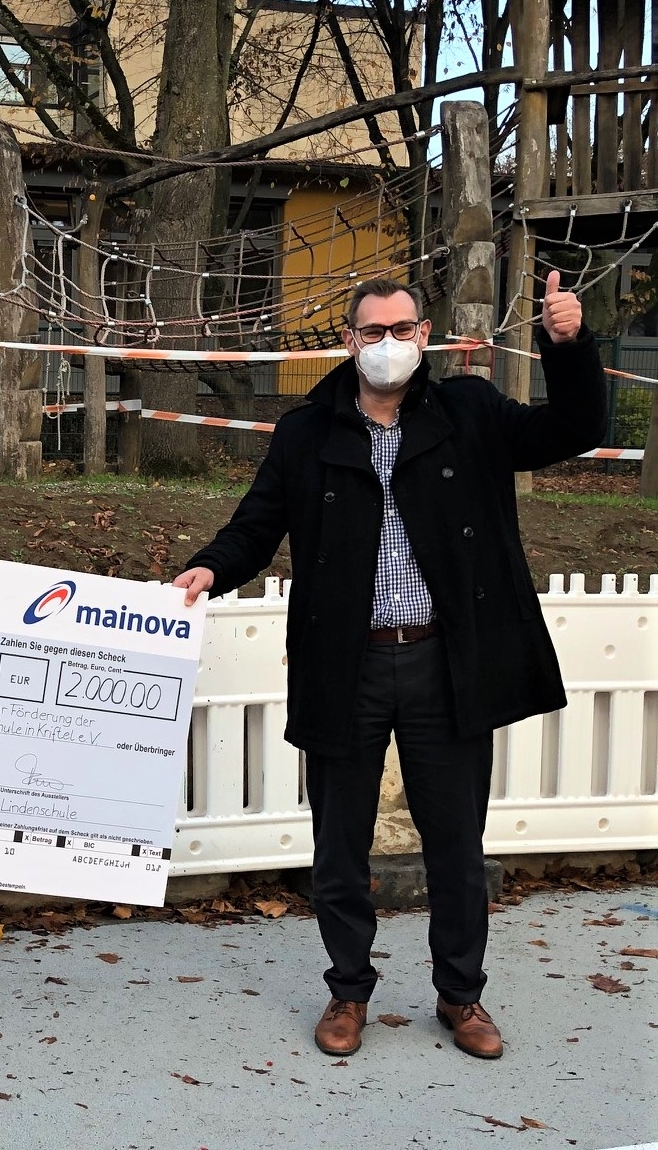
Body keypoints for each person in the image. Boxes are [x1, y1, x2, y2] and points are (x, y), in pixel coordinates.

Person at [172, 273, 603, 1061]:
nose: (386, 345)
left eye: (400, 329)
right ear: (349, 340)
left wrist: (566, 346)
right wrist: (207, 568)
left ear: (424, 333)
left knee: (455, 844)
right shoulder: (306, 431)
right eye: (371, 333)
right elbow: (255, 524)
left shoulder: (469, 413)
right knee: (340, 843)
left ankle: (460, 997)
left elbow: (572, 427)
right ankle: (347, 991)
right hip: (346, 664)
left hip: (448, 659)